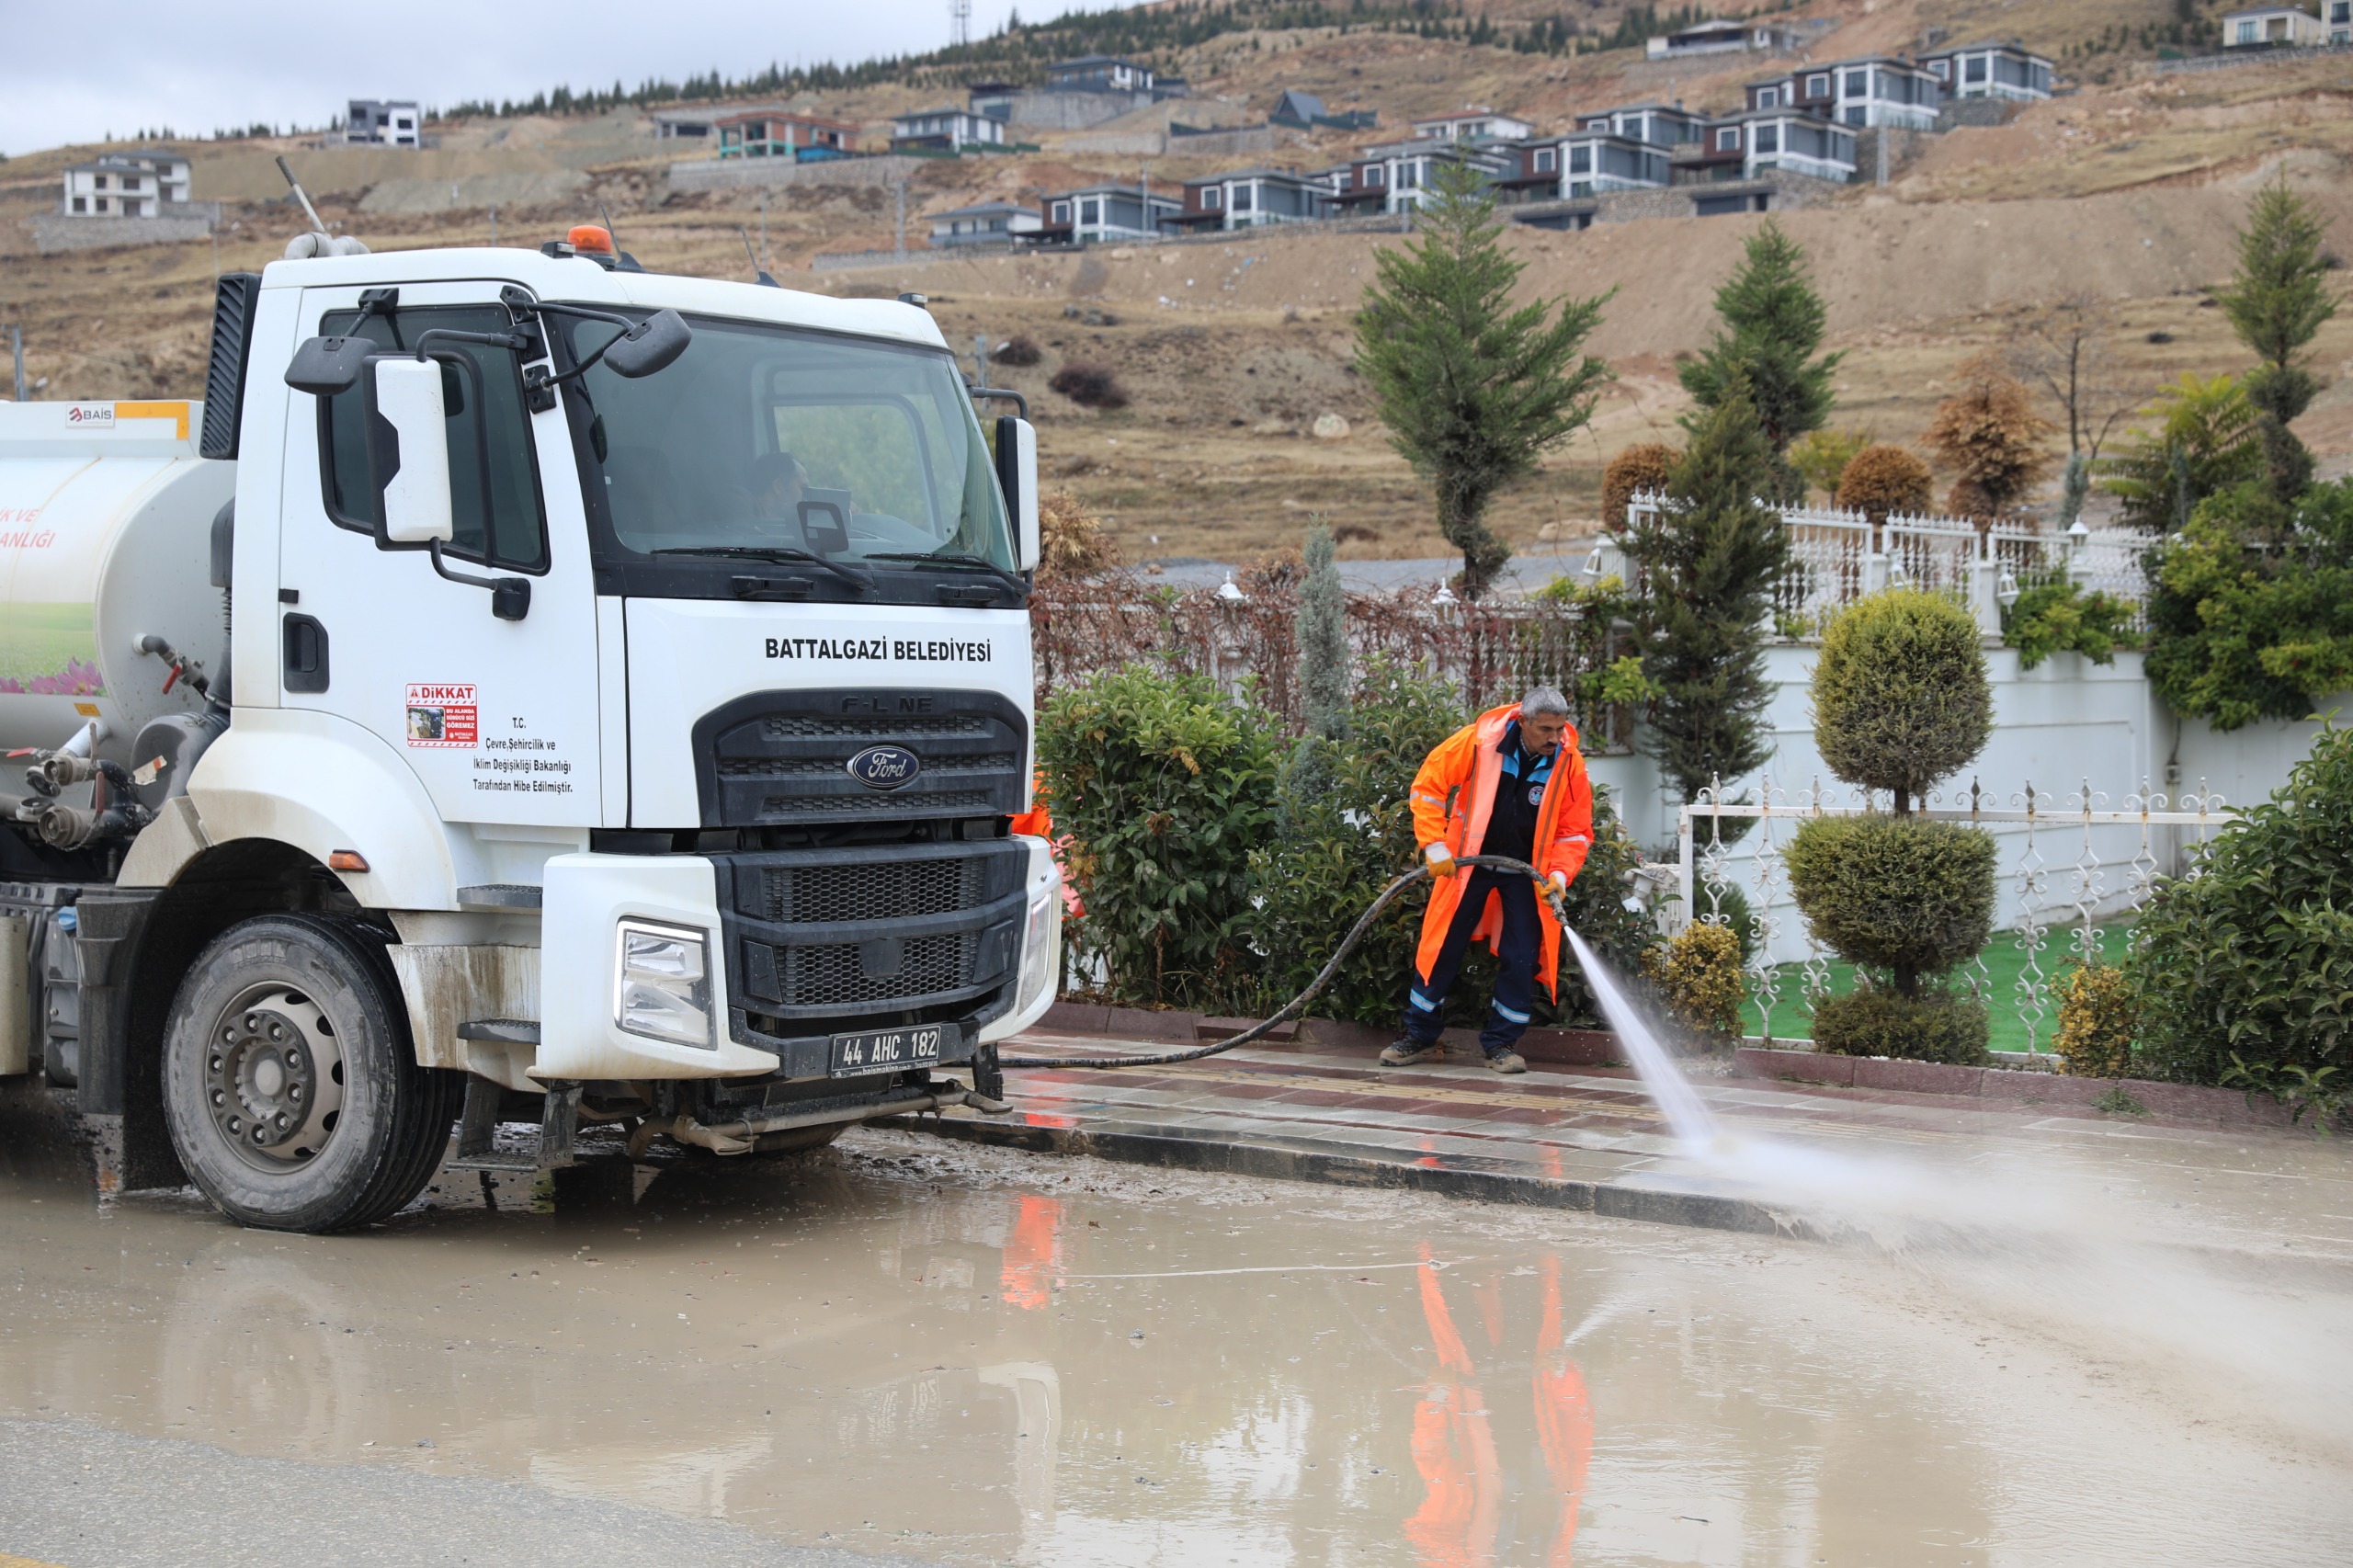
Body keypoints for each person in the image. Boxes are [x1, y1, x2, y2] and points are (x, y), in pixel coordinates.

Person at [1386, 686, 1594, 1074]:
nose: (1555, 738)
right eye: (1546, 729)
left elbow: (1575, 830)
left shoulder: (1569, 763)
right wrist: (1433, 846)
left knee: (1521, 957)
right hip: (1467, 868)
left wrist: (1561, 875)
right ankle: (1419, 1034)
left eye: (1560, 728)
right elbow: (1429, 786)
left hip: (1526, 875)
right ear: (1524, 721)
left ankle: (1501, 1044)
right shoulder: (1479, 742)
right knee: (1442, 947)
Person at [746, 451, 810, 538]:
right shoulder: (744, 522)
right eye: (803, 488)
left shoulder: (765, 527)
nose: (807, 497)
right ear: (778, 486)